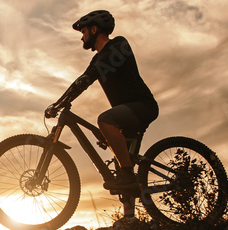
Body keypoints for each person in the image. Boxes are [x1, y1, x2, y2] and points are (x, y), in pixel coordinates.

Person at [44, 10, 159, 191]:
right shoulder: (97, 59)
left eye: (84, 32)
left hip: (143, 106)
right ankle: (129, 203)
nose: (81, 37)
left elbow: (92, 73)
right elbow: (82, 81)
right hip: (126, 115)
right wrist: (58, 104)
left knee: (105, 120)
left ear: (94, 29)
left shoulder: (119, 45)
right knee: (121, 177)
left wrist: (68, 96)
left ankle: (128, 173)